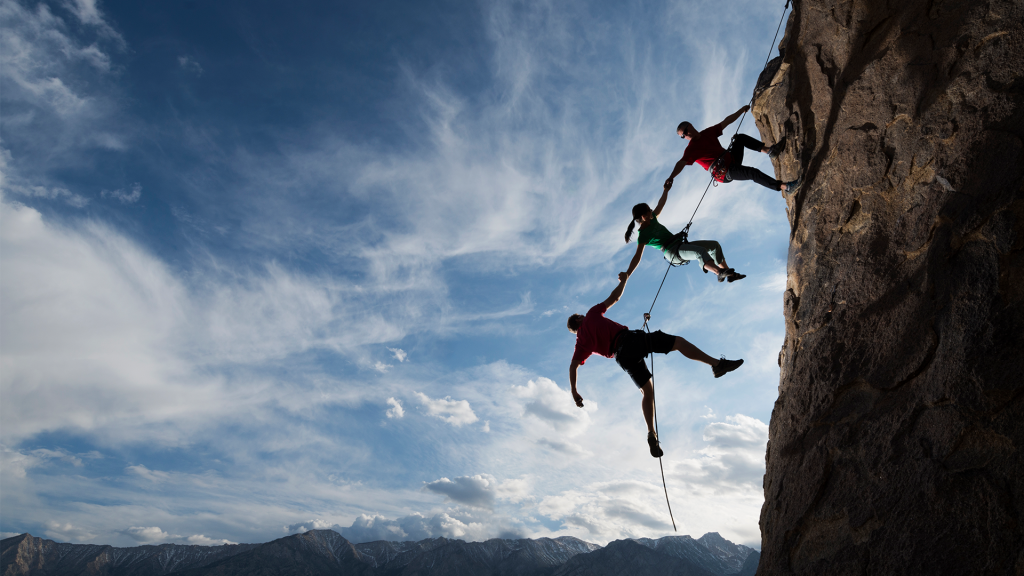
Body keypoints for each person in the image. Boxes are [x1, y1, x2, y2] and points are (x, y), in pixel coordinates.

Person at [567, 272, 743, 458]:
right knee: (678, 343)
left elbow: (573, 366)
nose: (583, 315)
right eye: (580, 315)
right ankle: (717, 365)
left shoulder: (581, 343)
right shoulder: (591, 315)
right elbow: (615, 297)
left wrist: (574, 391)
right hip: (629, 341)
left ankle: (651, 433)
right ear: (578, 319)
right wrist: (624, 280)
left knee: (647, 391)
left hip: (622, 357)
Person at [623, 183, 745, 283]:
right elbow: (637, 257)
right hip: (672, 252)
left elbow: (661, 204)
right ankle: (718, 272)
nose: (652, 211)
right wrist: (628, 274)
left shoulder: (653, 219)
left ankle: (729, 274)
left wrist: (665, 190)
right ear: (644, 217)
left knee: (714, 246)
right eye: (649, 210)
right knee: (700, 252)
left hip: (680, 245)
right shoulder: (643, 235)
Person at [665, 105, 800, 194]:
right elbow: (680, 163)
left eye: (685, 132)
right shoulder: (691, 150)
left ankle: (770, 151)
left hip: (732, 158)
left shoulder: (708, 133)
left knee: (739, 138)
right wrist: (671, 177)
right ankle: (786, 187)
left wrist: (741, 110)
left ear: (690, 126)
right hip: (724, 172)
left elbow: (726, 121)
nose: (686, 136)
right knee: (752, 173)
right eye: (683, 136)